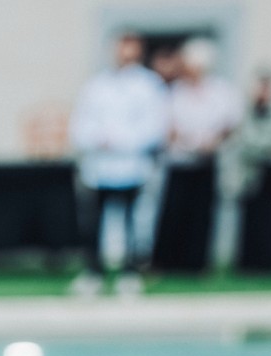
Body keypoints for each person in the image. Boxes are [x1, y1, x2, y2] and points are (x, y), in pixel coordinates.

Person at [70, 32, 168, 294]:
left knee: (132, 221)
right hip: (100, 167)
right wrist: (97, 139)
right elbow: (81, 123)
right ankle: (94, 271)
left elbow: (155, 127)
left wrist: (121, 140)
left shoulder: (149, 85)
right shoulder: (97, 85)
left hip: (131, 166)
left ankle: (130, 271)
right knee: (93, 223)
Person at [152, 38, 242, 273]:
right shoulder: (175, 93)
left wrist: (213, 141)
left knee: (201, 215)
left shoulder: (221, 91)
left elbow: (229, 124)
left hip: (206, 162)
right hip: (179, 161)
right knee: (174, 213)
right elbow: (167, 125)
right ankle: (168, 262)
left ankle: (196, 263)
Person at [235, 71, 271, 273]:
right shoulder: (247, 111)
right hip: (251, 172)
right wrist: (266, 145)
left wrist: (264, 144)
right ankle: (248, 263)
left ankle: (268, 262)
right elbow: (245, 139)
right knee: (251, 218)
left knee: (270, 219)